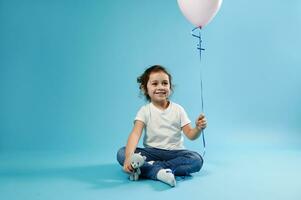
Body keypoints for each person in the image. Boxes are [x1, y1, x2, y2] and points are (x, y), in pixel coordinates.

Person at [116, 65, 207, 187]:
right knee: (121, 153)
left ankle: (153, 169)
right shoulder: (144, 111)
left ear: (170, 87)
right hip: (151, 152)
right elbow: (135, 133)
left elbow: (190, 134)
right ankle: (160, 172)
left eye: (165, 83)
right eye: (154, 84)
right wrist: (128, 157)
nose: (160, 87)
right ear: (145, 89)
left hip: (176, 153)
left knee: (197, 160)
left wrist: (198, 128)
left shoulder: (178, 109)